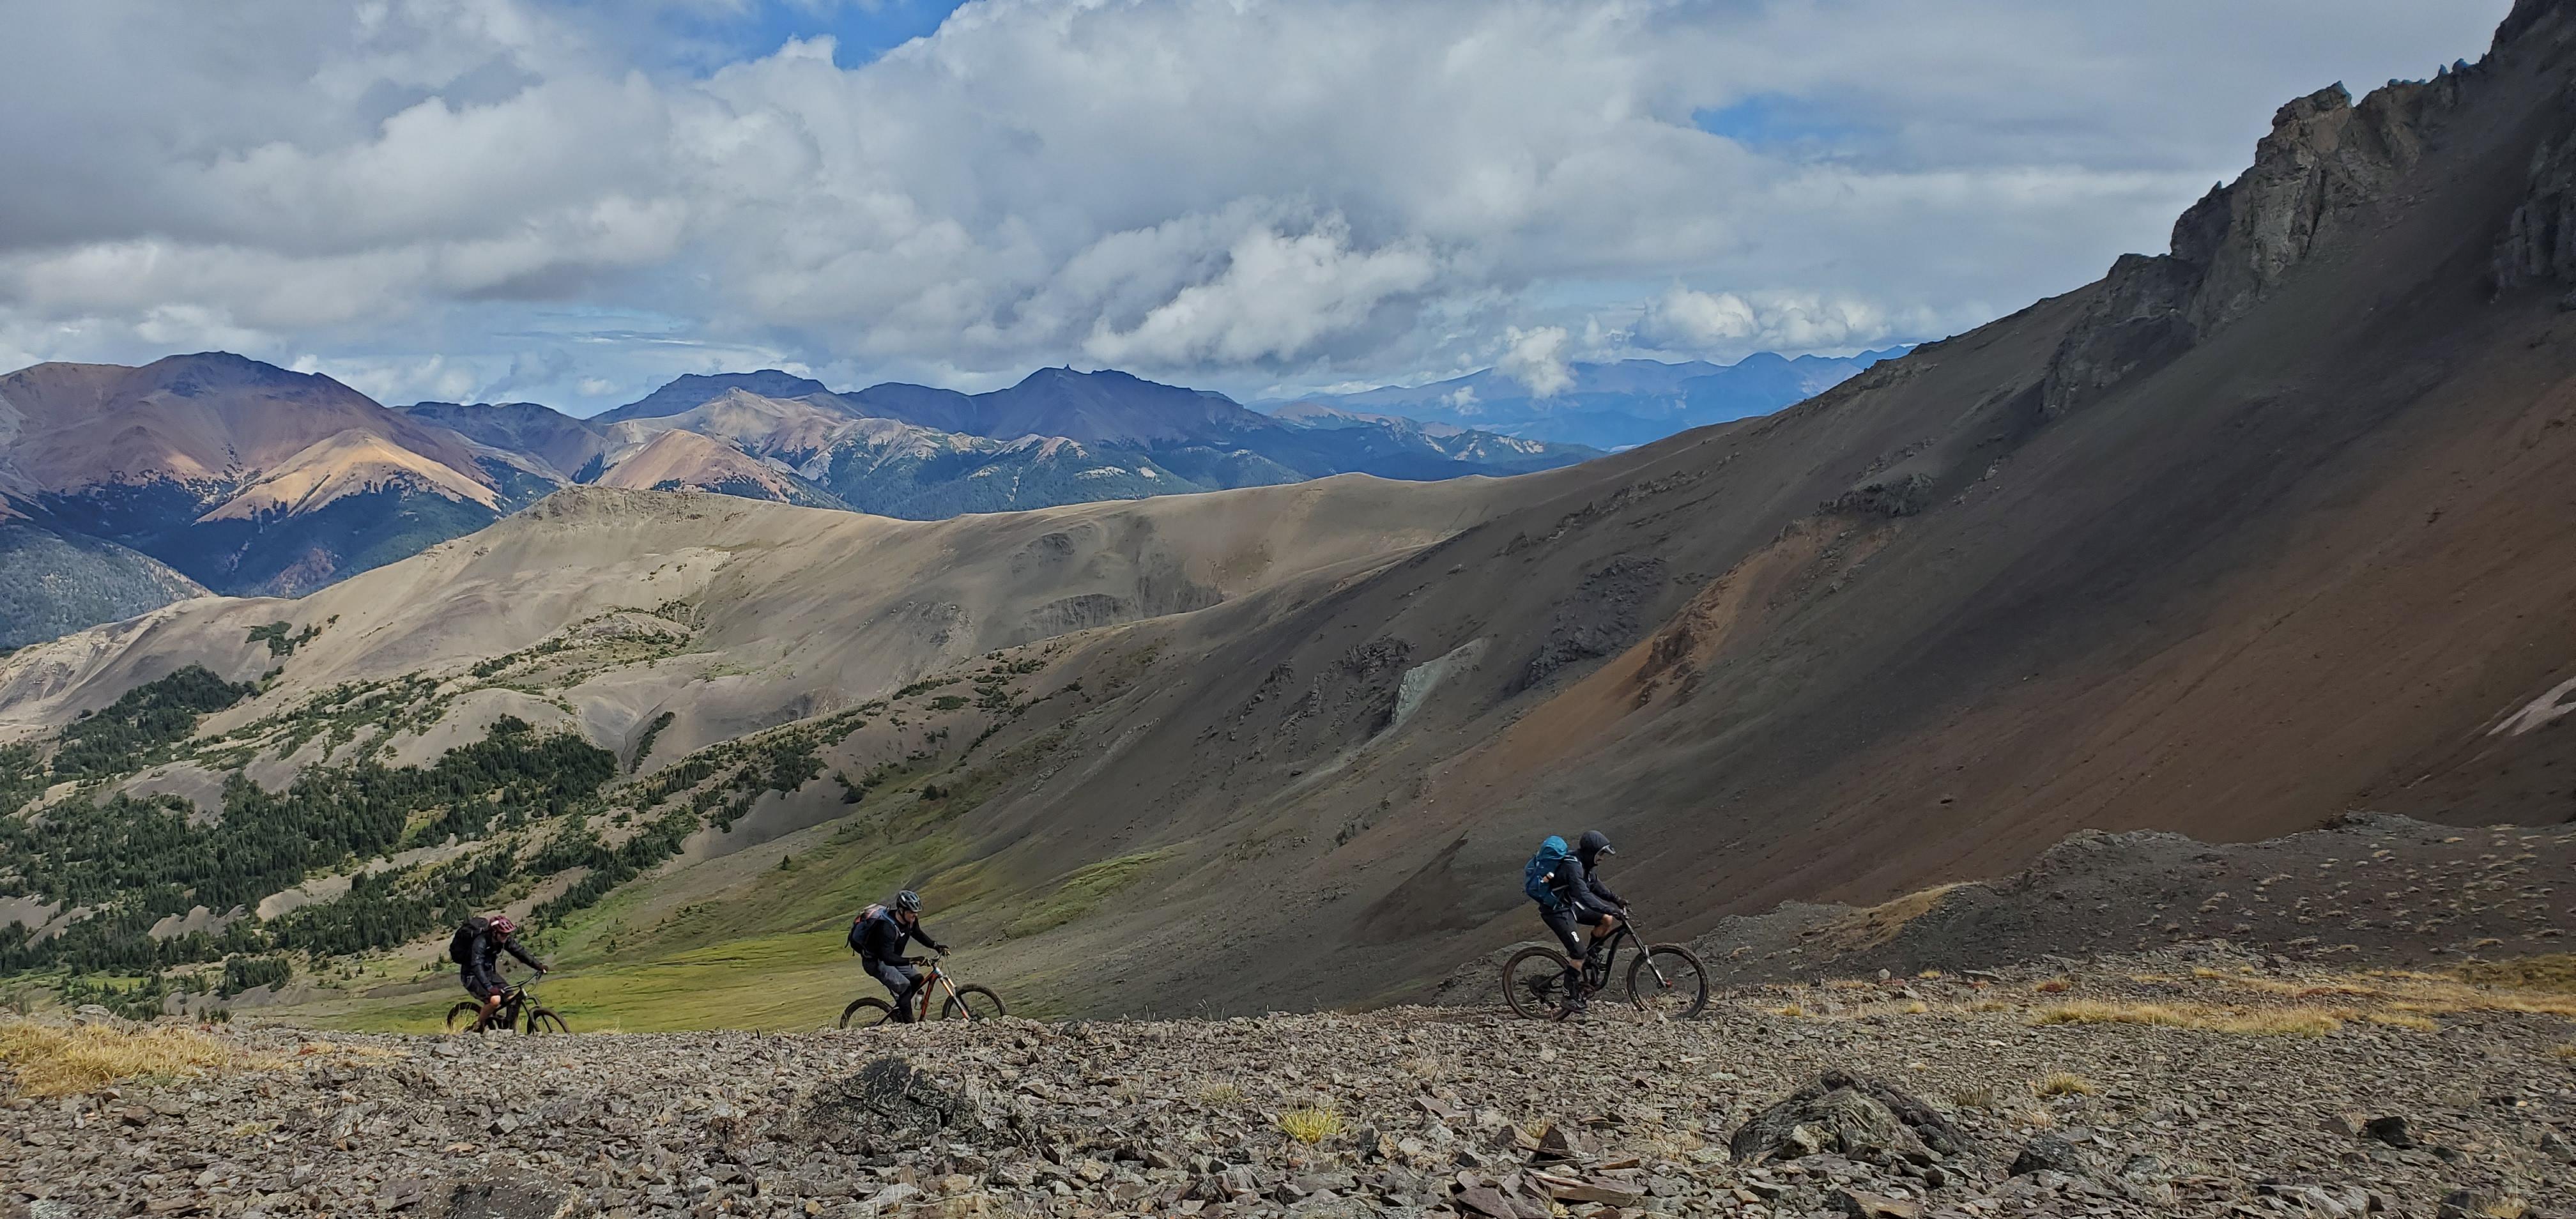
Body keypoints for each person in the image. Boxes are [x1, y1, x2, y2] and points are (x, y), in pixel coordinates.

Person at [1538, 831, 1624, 1015]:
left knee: (1606, 920)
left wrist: (1616, 900)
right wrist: (1610, 908)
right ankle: (1569, 996)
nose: (1602, 858)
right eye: (1600, 854)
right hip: (1556, 911)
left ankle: (1591, 957)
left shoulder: (1585, 865)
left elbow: (1595, 886)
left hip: (1569, 906)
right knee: (1578, 954)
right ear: (1591, 852)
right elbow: (1583, 895)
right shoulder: (1573, 866)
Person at [853, 890, 951, 1022]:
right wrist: (912, 960)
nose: (915, 915)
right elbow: (887, 957)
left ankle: (901, 1008)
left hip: (892, 959)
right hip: (876, 962)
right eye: (912, 912)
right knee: (905, 988)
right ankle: (910, 1025)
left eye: (916, 912)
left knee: (917, 979)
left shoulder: (911, 920)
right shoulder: (886, 927)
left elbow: (918, 934)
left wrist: (936, 946)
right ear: (901, 910)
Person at [459, 914, 546, 1027]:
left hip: (490, 974)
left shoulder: (504, 940)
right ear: (494, 932)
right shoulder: (480, 942)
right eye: (503, 934)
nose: (506, 936)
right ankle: (478, 1025)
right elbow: (476, 965)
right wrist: (489, 987)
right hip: (472, 976)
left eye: (508, 934)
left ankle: (508, 1027)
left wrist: (539, 966)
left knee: (511, 998)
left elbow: (520, 952)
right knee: (495, 1000)